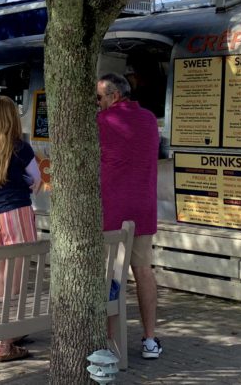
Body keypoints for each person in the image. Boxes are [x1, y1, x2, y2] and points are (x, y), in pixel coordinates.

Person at [97, 72, 162, 359]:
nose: (96, 103)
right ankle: (149, 339)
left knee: (112, 277)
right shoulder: (149, 119)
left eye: (99, 97)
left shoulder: (102, 122)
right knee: (143, 271)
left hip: (112, 211)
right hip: (143, 209)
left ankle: (111, 342)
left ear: (113, 96)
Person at [0, 95, 41, 363]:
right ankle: (6, 341)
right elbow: (36, 180)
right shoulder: (20, 147)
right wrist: (24, 181)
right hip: (16, 210)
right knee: (18, 271)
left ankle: (8, 328)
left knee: (2, 271)